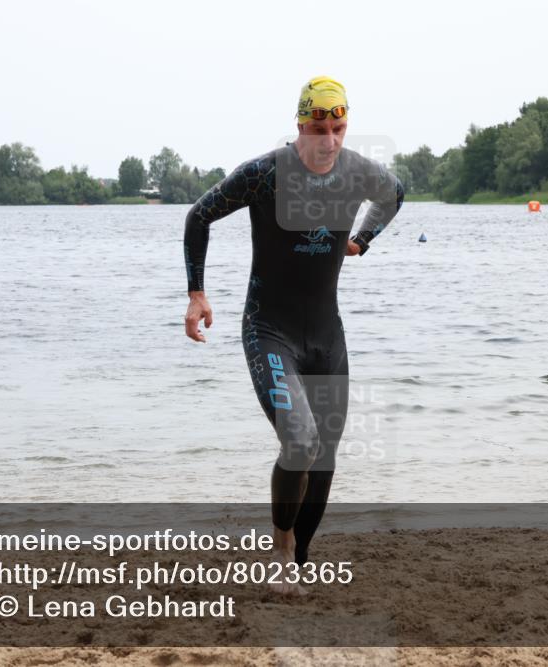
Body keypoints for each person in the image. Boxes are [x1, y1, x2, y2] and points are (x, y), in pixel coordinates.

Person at [183, 75, 404, 595]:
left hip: (326, 335)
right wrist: (197, 293)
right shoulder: (266, 174)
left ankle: (299, 561)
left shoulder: (356, 173)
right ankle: (280, 553)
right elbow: (200, 215)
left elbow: (395, 195)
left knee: (322, 456)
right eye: (317, 128)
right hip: (269, 329)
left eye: (339, 128)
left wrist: (362, 241)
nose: (328, 140)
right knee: (300, 439)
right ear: (299, 124)